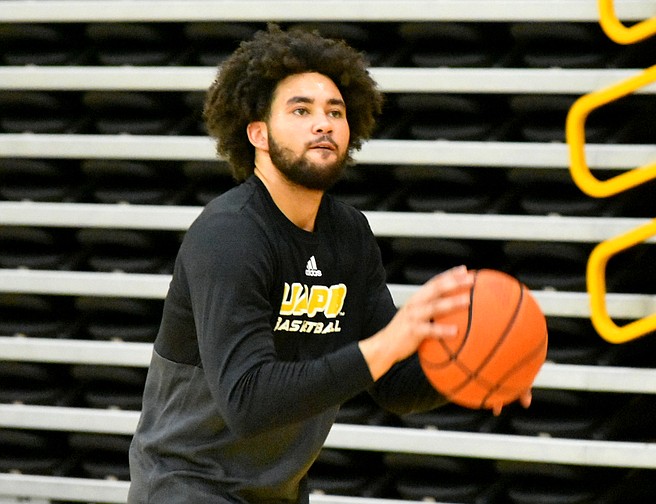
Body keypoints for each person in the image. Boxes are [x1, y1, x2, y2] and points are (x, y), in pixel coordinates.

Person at [128, 23, 528, 504]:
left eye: (335, 112)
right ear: (258, 133)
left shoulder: (348, 233)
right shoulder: (229, 234)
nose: (324, 123)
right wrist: (387, 344)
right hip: (187, 488)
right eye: (301, 110)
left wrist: (470, 372)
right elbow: (248, 401)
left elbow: (393, 385)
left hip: (278, 492)